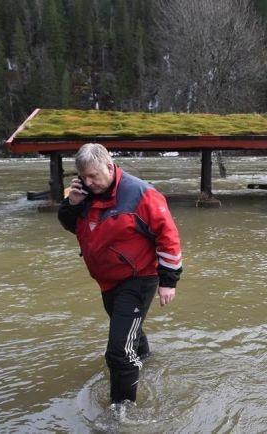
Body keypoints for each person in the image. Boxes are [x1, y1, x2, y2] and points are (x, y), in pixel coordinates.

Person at [58, 143, 182, 405]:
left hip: (139, 276)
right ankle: (147, 364)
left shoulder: (142, 194)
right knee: (129, 334)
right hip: (107, 280)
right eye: (84, 177)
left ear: (109, 165)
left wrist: (169, 281)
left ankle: (121, 413)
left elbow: (168, 237)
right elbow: (72, 225)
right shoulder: (83, 193)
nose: (90, 183)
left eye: (95, 176)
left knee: (118, 352)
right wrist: (72, 204)